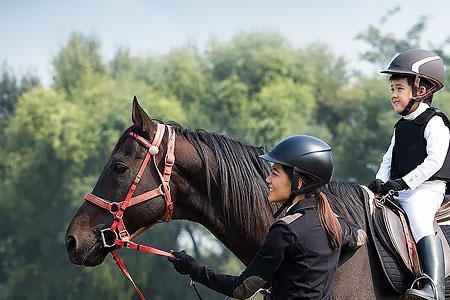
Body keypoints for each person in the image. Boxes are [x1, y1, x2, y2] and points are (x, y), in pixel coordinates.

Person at [168, 135, 366, 300]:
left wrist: (193, 268)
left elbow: (241, 289)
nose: (267, 179)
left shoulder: (285, 230)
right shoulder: (334, 223)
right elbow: (360, 236)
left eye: (275, 173)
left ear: (299, 181)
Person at [368, 49, 450, 300]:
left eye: (399, 89)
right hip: (400, 189)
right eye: (391, 89)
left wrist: (404, 182)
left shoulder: (435, 122)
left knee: (418, 217)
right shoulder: (401, 126)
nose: (393, 95)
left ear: (421, 90)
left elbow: (434, 161)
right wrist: (380, 182)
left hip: (426, 190)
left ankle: (434, 287)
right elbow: (388, 159)